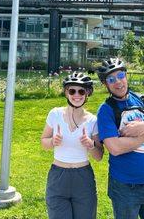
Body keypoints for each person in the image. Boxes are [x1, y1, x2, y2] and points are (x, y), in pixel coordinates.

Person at [96, 57, 144, 219]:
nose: (118, 82)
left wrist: (142, 127)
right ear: (105, 84)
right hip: (125, 188)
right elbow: (115, 148)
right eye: (111, 79)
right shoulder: (106, 110)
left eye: (121, 76)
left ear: (126, 75)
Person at [41, 71, 104, 219]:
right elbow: (43, 141)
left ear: (87, 93)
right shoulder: (54, 114)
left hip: (83, 177)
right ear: (66, 93)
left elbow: (99, 156)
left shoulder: (92, 121)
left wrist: (91, 145)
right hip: (58, 176)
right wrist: (52, 141)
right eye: (72, 90)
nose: (77, 95)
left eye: (81, 91)